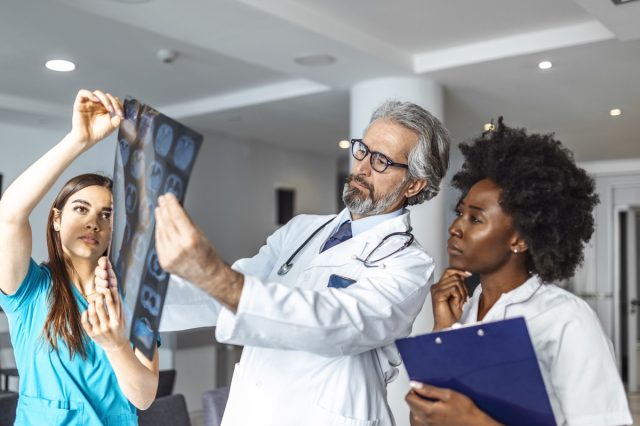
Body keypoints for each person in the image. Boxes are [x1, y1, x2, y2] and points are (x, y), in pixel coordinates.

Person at [152, 100, 450, 425]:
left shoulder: (409, 263)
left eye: (381, 161)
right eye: (363, 150)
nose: (362, 167)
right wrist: (141, 298)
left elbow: (337, 324)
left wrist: (218, 277)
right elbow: (229, 291)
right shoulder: (302, 229)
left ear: (415, 184)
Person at [405, 118, 632, 426]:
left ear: (520, 239)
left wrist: (474, 422)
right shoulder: (464, 310)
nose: (455, 228)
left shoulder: (566, 319)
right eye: (460, 213)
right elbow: (422, 420)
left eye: (475, 219)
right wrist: (443, 330)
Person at [0, 89, 159, 425]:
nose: (93, 222)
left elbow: (144, 397)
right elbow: (9, 215)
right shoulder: (30, 292)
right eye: (81, 209)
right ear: (56, 219)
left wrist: (116, 344)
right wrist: (78, 140)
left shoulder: (134, 298)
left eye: (107, 214)